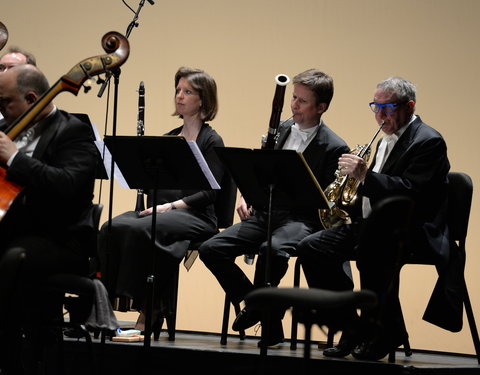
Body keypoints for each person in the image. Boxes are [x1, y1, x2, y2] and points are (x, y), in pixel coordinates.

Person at [296, 76, 454, 361]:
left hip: (413, 230)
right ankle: (351, 326)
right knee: (312, 247)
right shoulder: (383, 141)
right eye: (375, 107)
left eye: (388, 108)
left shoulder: (428, 141)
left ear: (409, 106)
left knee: (372, 249)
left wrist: (365, 176)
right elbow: (373, 191)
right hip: (374, 226)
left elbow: (410, 194)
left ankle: (384, 332)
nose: (380, 115)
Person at [198, 68, 350, 346]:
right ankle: (258, 305)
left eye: (302, 101)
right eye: (294, 97)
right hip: (266, 213)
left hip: (301, 220)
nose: (293, 104)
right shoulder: (280, 129)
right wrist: (247, 195)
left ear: (321, 107)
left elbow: (327, 202)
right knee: (211, 249)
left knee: (273, 249)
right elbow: (259, 171)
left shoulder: (335, 148)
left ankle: (262, 312)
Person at [97, 66, 225, 329]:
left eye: (187, 91)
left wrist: (171, 206)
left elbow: (210, 192)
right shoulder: (169, 138)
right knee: (111, 227)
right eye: (178, 90)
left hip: (197, 216)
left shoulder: (212, 140)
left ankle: (150, 308)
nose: (179, 96)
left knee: (145, 228)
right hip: (164, 212)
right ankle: (102, 304)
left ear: (202, 99)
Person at [0, 64, 98, 373]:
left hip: (59, 238)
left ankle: (10, 357)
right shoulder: (7, 129)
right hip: (14, 231)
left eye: (5, 102)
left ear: (31, 99)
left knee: (12, 257)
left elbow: (68, 186)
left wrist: (16, 159)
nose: (1, 109)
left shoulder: (72, 131)